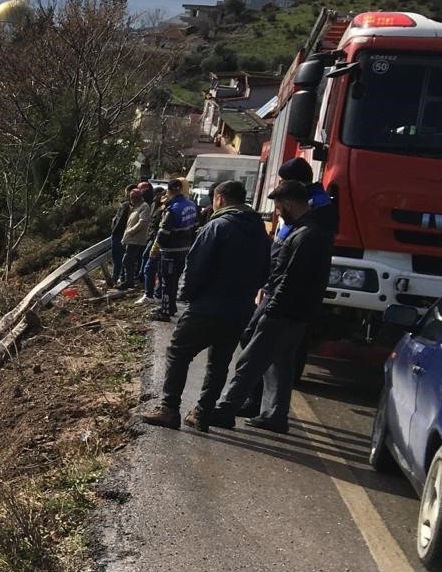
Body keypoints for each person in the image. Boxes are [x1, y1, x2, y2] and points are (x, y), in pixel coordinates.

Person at [141, 181, 271, 431]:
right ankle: (202, 413)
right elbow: (265, 272)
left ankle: (169, 409)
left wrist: (186, 296)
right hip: (240, 309)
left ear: (220, 198)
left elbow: (196, 267)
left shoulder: (216, 227)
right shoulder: (259, 232)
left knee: (179, 353)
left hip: (207, 307)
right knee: (219, 362)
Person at [211, 179, 337, 433]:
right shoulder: (313, 231)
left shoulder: (306, 236)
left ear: (290, 203)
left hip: (284, 310)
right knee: (281, 364)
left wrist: (270, 309)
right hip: (299, 312)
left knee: (251, 359)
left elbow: (290, 278)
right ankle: (275, 415)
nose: (278, 213)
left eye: (280, 207)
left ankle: (226, 410)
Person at [149, 179, 200, 321]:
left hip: (170, 252)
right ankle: (171, 306)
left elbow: (164, 233)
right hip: (185, 250)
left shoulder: (173, 209)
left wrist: (155, 249)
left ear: (170, 191)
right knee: (174, 281)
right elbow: (196, 226)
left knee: (166, 282)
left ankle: (165, 312)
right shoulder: (191, 205)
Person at [119, 185, 155, 290]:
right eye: (131, 197)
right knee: (127, 260)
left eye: (134, 197)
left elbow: (142, 222)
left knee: (127, 260)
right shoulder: (134, 207)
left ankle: (129, 281)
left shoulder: (144, 206)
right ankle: (128, 280)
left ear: (138, 197)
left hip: (136, 239)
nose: (132, 200)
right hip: (130, 238)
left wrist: (130, 231)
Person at [108, 186, 134, 287]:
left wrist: (114, 231)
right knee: (121, 258)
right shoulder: (133, 206)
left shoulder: (126, 206)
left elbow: (120, 221)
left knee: (117, 259)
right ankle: (119, 277)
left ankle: (115, 278)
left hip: (119, 236)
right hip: (124, 236)